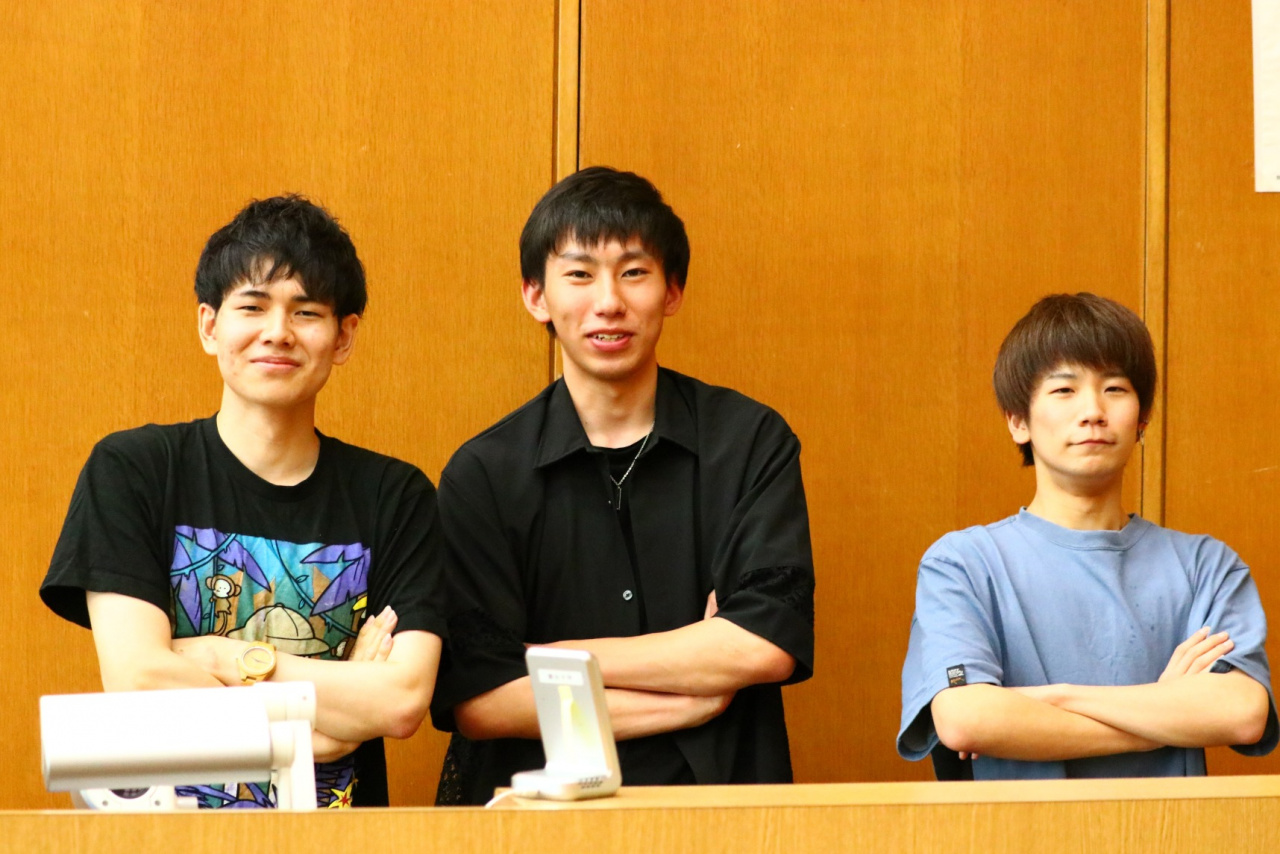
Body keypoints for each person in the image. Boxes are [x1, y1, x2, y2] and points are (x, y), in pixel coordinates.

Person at [41, 195, 446, 808]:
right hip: (163, 841)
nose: (277, 332)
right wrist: (321, 728)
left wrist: (222, 656)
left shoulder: (395, 496)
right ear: (210, 326)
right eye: (252, 307)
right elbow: (139, 678)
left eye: (306, 312)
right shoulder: (134, 471)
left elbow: (400, 700)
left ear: (343, 337)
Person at [430, 166, 815, 804]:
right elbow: (482, 701)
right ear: (536, 296)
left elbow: (765, 643)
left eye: (633, 272)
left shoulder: (748, 442)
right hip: (540, 820)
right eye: (580, 274)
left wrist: (545, 659)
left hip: (723, 815)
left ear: (672, 291)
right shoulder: (484, 474)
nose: (608, 301)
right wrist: (693, 695)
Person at [898, 292, 1277, 779]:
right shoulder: (963, 563)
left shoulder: (1207, 565)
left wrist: (1054, 699)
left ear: (1142, 420)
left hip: (1171, 825)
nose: (1093, 410)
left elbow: (1242, 713)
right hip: (1015, 826)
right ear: (1018, 421)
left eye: (1114, 388)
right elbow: (966, 719)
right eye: (1064, 390)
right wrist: (1167, 708)